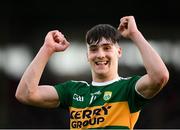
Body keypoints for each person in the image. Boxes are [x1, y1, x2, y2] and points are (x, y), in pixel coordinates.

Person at [15, 16, 169, 129]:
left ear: (119, 52)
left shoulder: (128, 88)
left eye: (107, 48)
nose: (100, 54)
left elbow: (159, 76)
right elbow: (25, 94)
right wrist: (46, 49)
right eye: (94, 49)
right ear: (87, 56)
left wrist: (135, 34)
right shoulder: (73, 91)